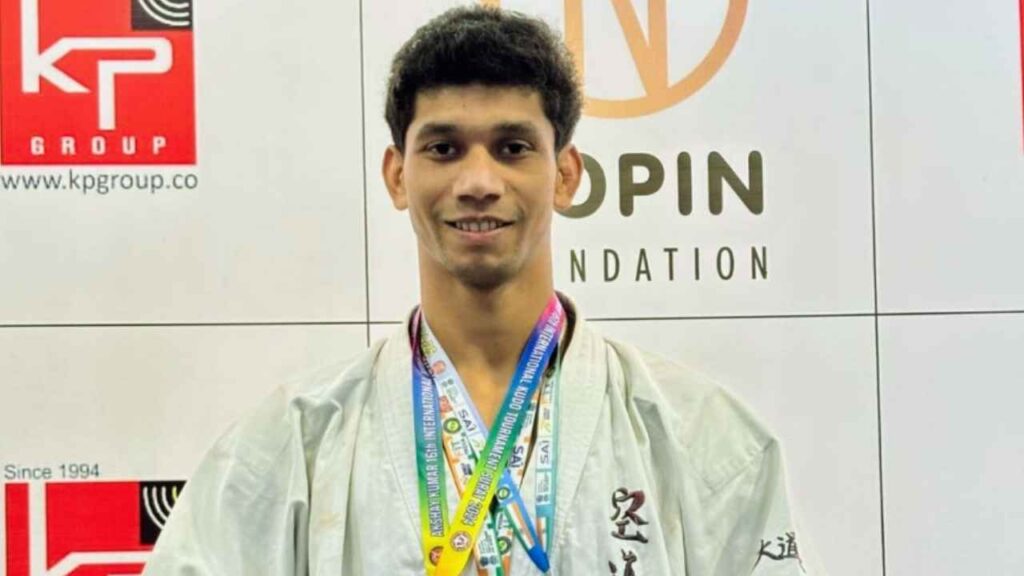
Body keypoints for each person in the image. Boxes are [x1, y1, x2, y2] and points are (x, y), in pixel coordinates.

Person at [144, 6, 809, 576]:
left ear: (565, 175)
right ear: (397, 175)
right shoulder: (296, 441)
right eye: (444, 148)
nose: (479, 182)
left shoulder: (700, 436)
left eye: (513, 147)